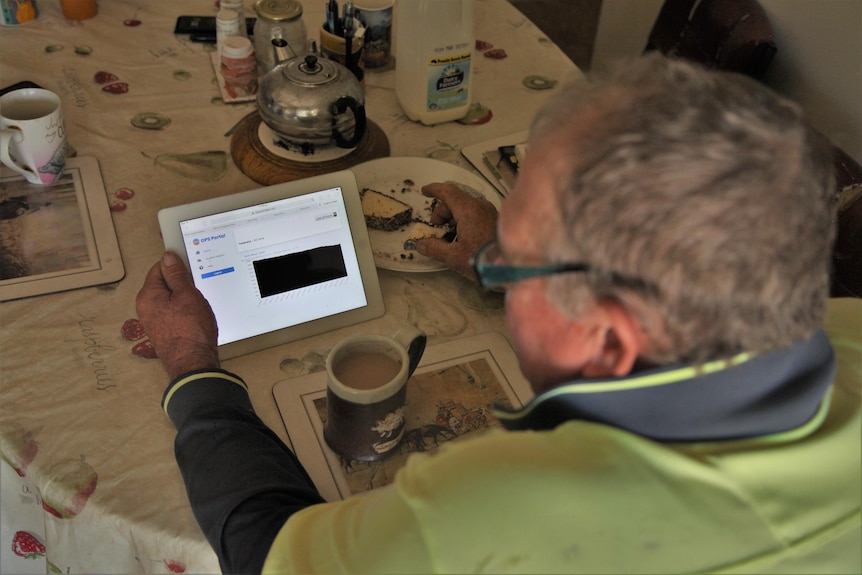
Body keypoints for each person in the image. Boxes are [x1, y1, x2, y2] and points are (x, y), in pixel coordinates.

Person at [137, 54, 861, 574]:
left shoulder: (491, 504)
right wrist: (491, 258)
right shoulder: (845, 323)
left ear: (609, 339)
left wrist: (194, 368)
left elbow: (269, 551)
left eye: (518, 255)